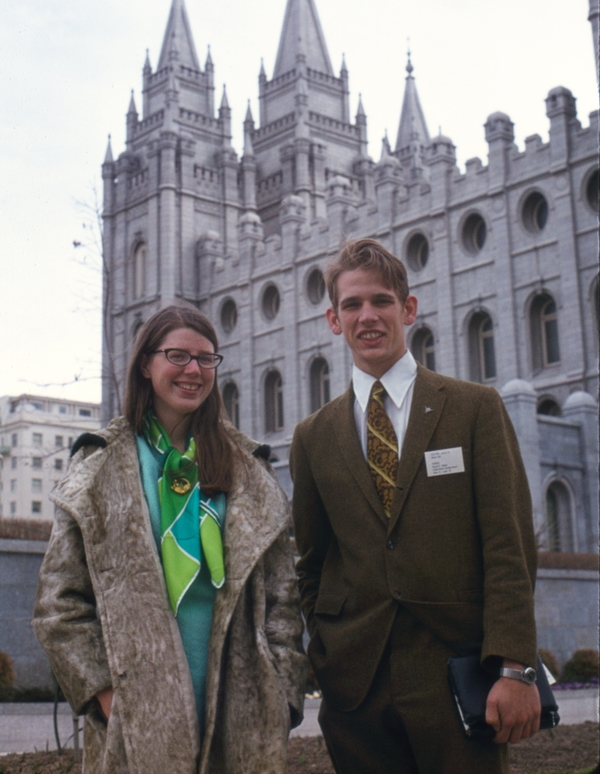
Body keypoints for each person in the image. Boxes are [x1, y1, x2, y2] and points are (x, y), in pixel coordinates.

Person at [290, 238, 541, 774]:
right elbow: (312, 562)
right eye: (352, 305)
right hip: (356, 692)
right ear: (334, 320)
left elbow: (509, 547)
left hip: (459, 679)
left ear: (408, 309)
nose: (368, 316)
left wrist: (516, 668)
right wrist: (327, 655)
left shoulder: (474, 409)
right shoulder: (313, 436)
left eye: (381, 301)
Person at [33, 304, 307, 774]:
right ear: (146, 364)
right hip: (135, 720)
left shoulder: (248, 469)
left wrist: (280, 694)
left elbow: (283, 599)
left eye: (206, 359)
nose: (194, 371)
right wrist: (106, 696)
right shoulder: (99, 467)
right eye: (177, 356)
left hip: (240, 713)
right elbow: (59, 604)